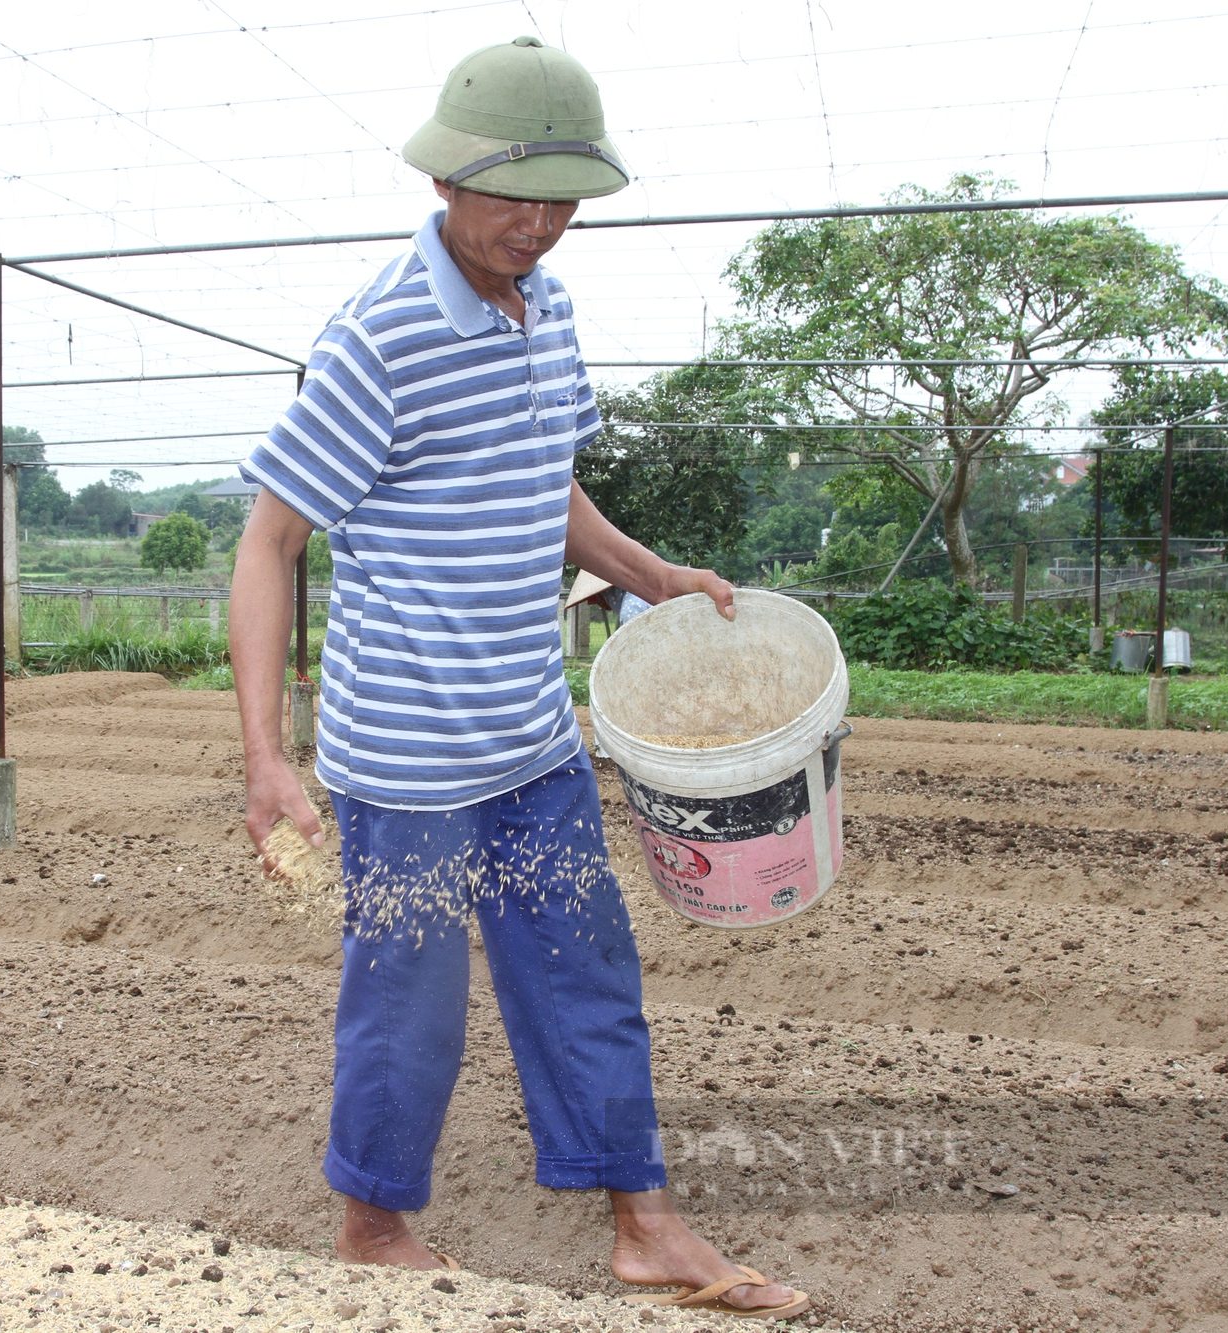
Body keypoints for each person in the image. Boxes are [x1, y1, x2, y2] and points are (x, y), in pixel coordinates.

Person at [227, 36, 809, 1322]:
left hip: (530, 745)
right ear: (445, 182)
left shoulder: (543, 307)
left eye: (562, 200)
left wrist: (646, 572)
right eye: (514, 195)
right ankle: (371, 1223)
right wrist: (269, 757)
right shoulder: (377, 338)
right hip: (408, 767)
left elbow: (544, 476)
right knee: (409, 1003)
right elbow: (269, 540)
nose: (539, 224)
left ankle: (644, 1223)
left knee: (584, 975)